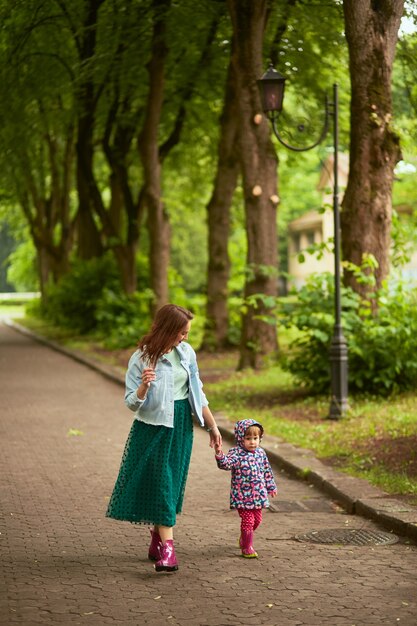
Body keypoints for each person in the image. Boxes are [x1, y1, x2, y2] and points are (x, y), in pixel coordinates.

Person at [106, 304, 221, 573]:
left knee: (173, 481)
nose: (185, 338)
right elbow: (131, 404)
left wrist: (213, 427)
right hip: (152, 428)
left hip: (180, 424)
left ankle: (158, 540)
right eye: (182, 332)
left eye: (187, 333)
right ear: (168, 330)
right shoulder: (141, 358)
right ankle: (168, 550)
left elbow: (197, 393)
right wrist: (144, 386)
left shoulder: (186, 353)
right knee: (162, 484)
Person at [214, 418, 277, 558]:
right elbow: (226, 464)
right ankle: (247, 547)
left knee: (257, 520)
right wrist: (219, 454)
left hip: (258, 495)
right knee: (248, 521)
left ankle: (244, 538)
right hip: (242, 496)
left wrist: (270, 486)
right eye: (248, 438)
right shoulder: (236, 453)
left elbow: (267, 471)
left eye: (255, 438)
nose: (252, 442)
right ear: (240, 438)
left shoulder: (261, 453)